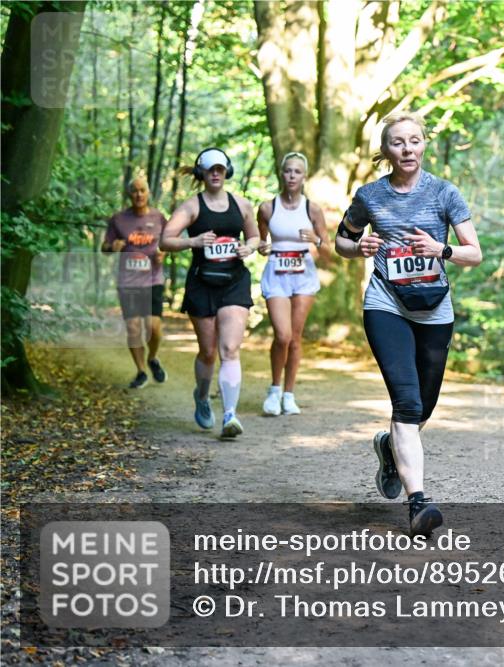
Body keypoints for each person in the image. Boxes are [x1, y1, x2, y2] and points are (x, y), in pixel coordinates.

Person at [336, 112, 482, 536]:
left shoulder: (444, 193)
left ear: (423, 146)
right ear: (386, 151)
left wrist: (442, 249)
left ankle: (389, 447)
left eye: (414, 141)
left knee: (425, 405)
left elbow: (475, 253)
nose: (408, 149)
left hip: (435, 307)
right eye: (398, 142)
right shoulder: (370, 196)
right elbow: (344, 239)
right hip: (386, 304)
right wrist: (358, 246)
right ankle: (418, 502)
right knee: (407, 402)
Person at [160, 148, 259, 438]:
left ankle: (230, 415)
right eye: (209, 169)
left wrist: (249, 247)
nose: (215, 173)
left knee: (230, 349)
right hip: (202, 284)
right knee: (208, 352)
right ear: (201, 173)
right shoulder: (191, 207)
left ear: (227, 171)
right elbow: (165, 240)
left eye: (220, 168)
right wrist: (194, 241)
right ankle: (202, 397)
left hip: (234, 282)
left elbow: (254, 236)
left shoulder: (241, 205)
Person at [256, 152, 332, 416]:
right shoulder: (268, 208)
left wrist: (316, 239)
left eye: (297, 172)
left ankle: (289, 395)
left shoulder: (312, 209)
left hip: (303, 275)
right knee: (282, 335)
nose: (291, 176)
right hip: (276, 273)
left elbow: (328, 254)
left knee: (296, 339)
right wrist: (262, 248)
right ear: (281, 173)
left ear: (304, 177)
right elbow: (260, 243)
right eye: (288, 171)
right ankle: (274, 390)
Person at [101, 175, 169, 389]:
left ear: (148, 193)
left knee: (153, 327)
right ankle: (141, 371)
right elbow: (104, 247)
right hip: (128, 281)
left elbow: (169, 242)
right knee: (133, 328)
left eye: (142, 190)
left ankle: (153, 358)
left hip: (153, 279)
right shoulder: (118, 219)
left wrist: (163, 253)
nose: (139, 194)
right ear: (129, 194)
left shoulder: (159, 218)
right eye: (134, 191)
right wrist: (113, 247)